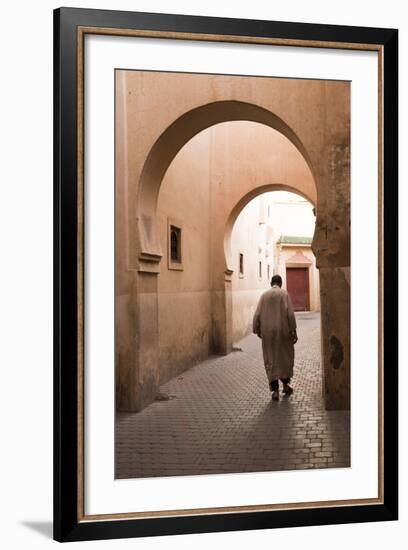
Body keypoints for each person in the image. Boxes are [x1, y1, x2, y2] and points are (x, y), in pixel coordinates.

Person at [253, 274, 298, 401]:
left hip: (267, 333)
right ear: (281, 283)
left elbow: (257, 315)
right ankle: (285, 385)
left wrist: (257, 329)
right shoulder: (284, 294)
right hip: (283, 332)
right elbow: (290, 314)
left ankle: (275, 392)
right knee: (284, 359)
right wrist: (293, 331)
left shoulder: (264, 296)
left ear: (271, 283)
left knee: (270, 360)